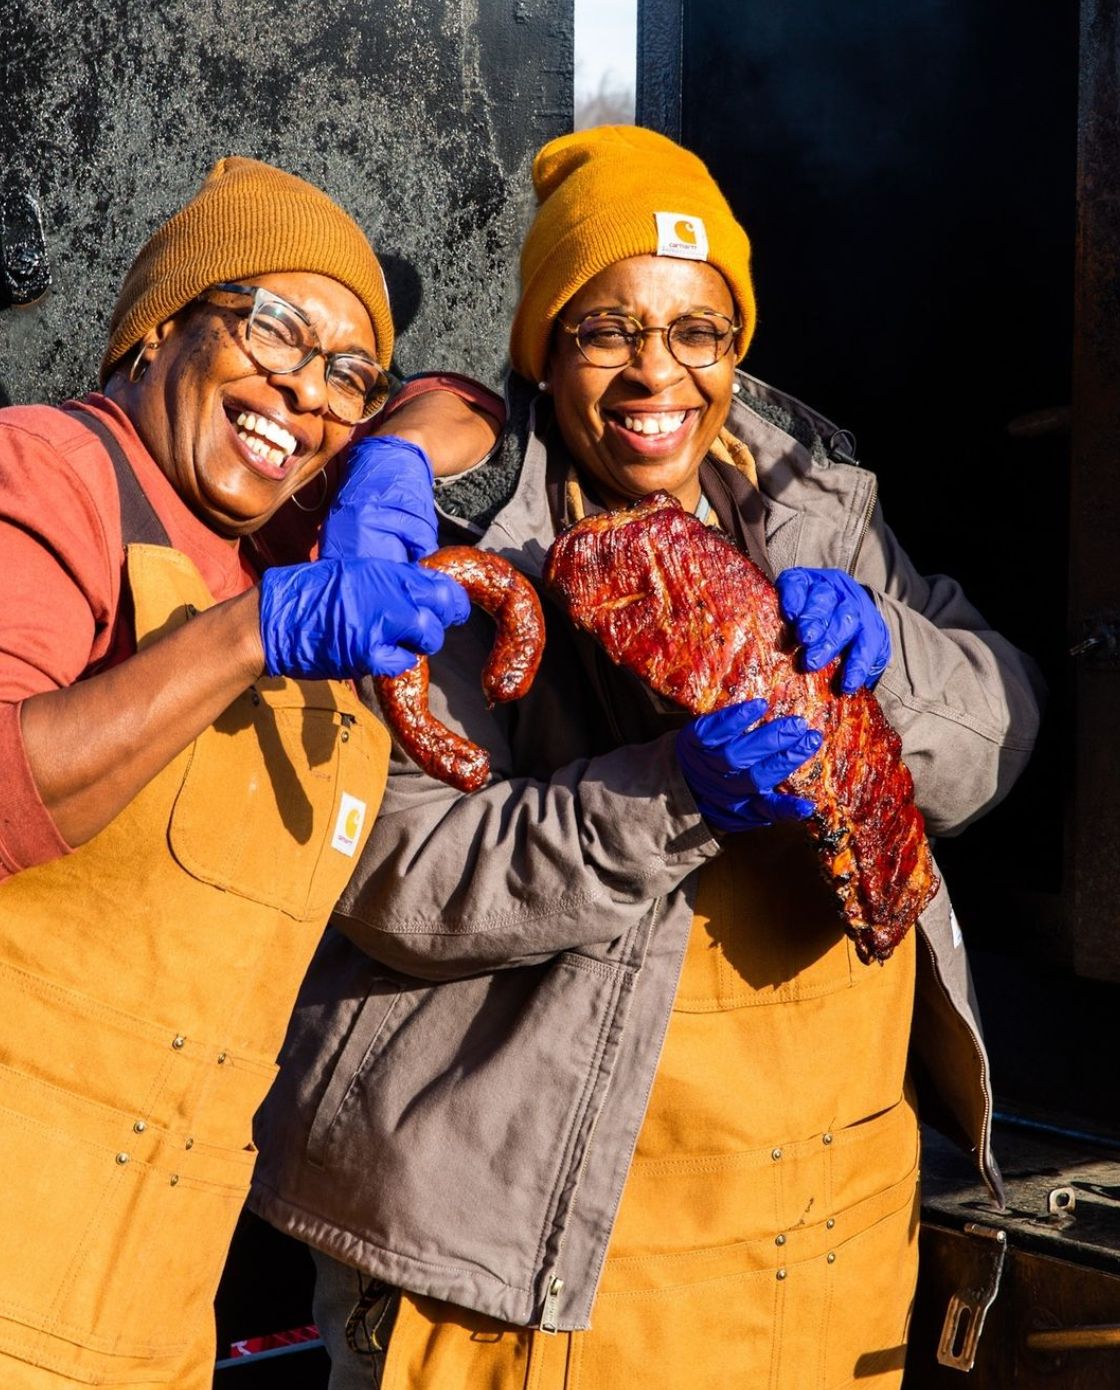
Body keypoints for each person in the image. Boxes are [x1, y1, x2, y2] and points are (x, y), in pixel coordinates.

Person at [250, 127, 1045, 1389]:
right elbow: (401, 878)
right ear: (543, 347)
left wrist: (886, 654)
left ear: (737, 345)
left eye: (697, 330)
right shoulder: (461, 541)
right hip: (532, 1257)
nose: (654, 373)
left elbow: (1001, 727)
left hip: (817, 1244)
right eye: (606, 329)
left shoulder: (815, 501)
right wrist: (671, 799)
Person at [0, 154, 498, 1390]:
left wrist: (394, 458)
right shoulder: (52, 469)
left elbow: (472, 397)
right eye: (275, 328)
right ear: (158, 328)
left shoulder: (272, 540)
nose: (306, 391)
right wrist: (248, 634)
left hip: (143, 1300)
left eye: (346, 374)